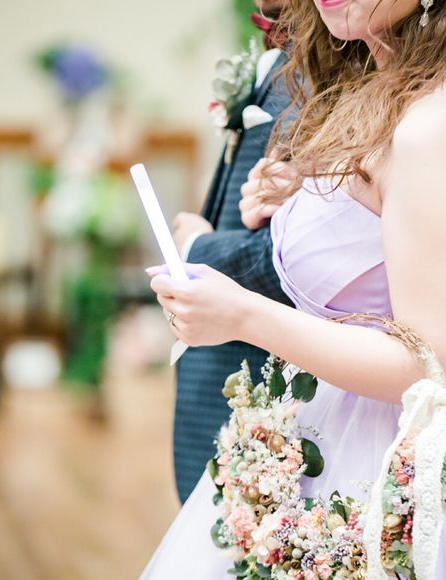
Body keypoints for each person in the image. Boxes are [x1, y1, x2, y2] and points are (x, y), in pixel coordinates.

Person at [143, 0, 446, 576]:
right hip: (317, 441)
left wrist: (243, 315)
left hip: (380, 470)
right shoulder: (375, 92)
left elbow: (439, 371)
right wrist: (302, 197)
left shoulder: (434, 123)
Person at [169, 0, 294, 503]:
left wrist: (198, 248)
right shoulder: (280, 65)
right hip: (220, 376)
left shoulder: (316, 79)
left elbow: (297, 255)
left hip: (260, 385)